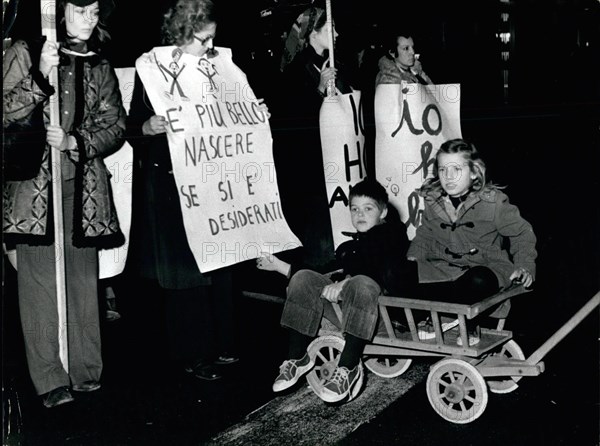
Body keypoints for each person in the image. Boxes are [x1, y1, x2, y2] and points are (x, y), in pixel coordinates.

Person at [3, 0, 126, 408]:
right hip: (33, 189)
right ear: (58, 12)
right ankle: (49, 378)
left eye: (94, 12)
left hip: (82, 186)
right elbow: (6, 110)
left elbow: (115, 124)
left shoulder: (99, 63)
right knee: (39, 285)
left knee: (81, 281)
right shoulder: (26, 50)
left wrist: (75, 142)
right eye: (79, 11)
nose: (89, 20)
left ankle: (85, 369)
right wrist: (41, 73)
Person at [125, 0, 244, 382]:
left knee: (219, 261)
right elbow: (132, 125)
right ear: (180, 34)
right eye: (203, 39)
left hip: (211, 178)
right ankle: (194, 353)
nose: (210, 47)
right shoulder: (152, 72)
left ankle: (223, 340)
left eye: (213, 39)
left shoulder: (216, 67)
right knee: (187, 272)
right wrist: (148, 128)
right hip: (173, 183)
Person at [269, 178, 410, 403]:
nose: (360, 214)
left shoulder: (393, 234)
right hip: (351, 314)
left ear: (383, 213)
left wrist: (346, 281)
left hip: (384, 319)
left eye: (368, 208)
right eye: (354, 209)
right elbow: (323, 270)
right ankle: (296, 358)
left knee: (362, 283)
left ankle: (348, 367)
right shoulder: (351, 247)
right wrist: (281, 267)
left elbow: (381, 267)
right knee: (304, 277)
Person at [400, 138, 537, 344]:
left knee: (479, 280)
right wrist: (413, 258)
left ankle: (455, 319)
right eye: (443, 169)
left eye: (456, 169)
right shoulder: (433, 200)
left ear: (474, 172)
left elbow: (522, 234)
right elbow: (425, 234)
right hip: (444, 270)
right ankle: (437, 314)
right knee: (394, 270)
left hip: (482, 270)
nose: (448, 176)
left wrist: (524, 266)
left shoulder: (493, 202)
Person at [270, 6, 357, 277]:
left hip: (337, 166)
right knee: (318, 236)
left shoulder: (335, 66)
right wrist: (318, 90)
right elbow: (293, 124)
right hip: (310, 173)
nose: (337, 34)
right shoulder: (295, 71)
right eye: (330, 28)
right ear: (312, 34)